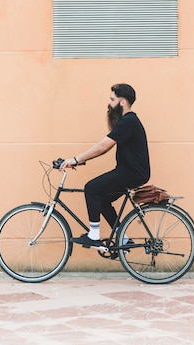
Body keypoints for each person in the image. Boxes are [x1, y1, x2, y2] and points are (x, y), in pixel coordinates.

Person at [60, 83, 150, 247]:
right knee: (101, 199)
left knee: (91, 188)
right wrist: (81, 160)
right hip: (131, 171)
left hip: (131, 172)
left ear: (122, 102)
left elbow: (103, 147)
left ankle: (94, 235)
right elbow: (103, 147)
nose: (108, 103)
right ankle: (122, 239)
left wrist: (75, 159)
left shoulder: (128, 121)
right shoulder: (128, 121)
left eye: (112, 99)